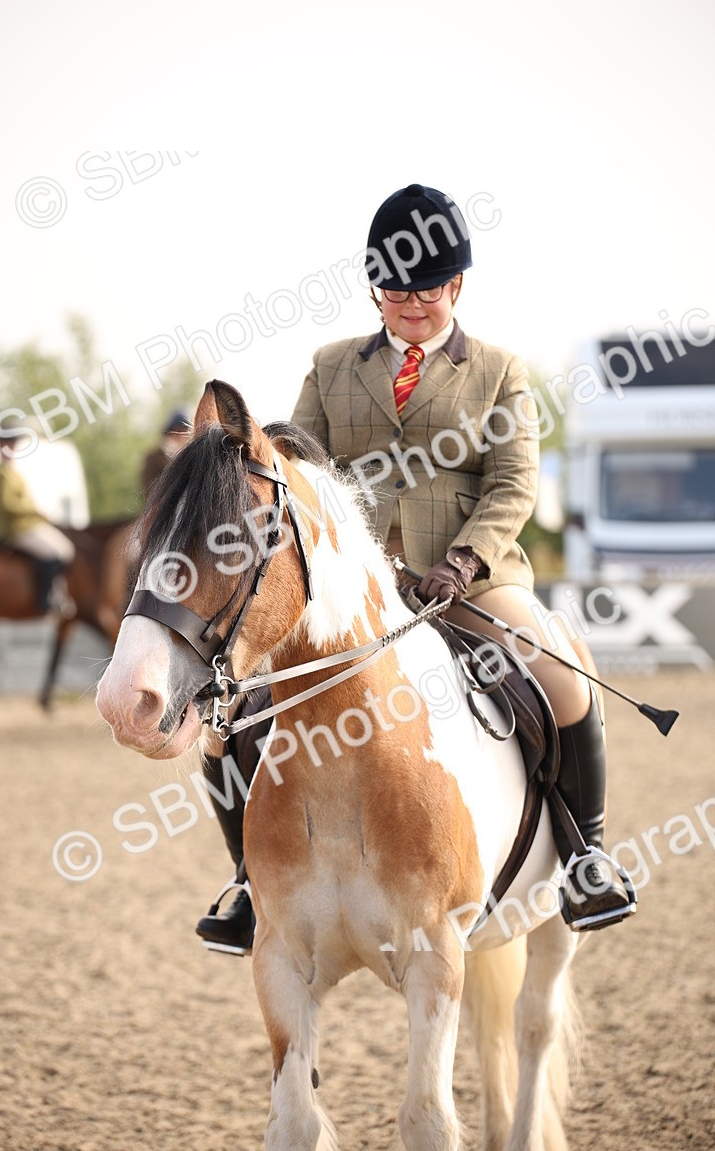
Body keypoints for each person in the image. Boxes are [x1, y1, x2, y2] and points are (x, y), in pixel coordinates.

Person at [195, 183, 635, 952]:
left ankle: (587, 853)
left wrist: (463, 561)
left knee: (560, 670)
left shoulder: (499, 371)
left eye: (425, 290)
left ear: (455, 286)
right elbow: (301, 463)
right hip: (354, 591)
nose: (409, 305)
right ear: (375, 289)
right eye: (394, 290)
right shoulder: (331, 367)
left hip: (474, 579)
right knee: (232, 717)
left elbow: (514, 483)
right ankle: (244, 876)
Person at [96, 409, 191, 642]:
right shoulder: (155, 456)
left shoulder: (190, 457)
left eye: (184, 431)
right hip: (158, 515)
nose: (180, 435)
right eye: (178, 431)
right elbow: (151, 489)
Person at [0, 428, 75, 616]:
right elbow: (9, 505)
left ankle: (58, 593)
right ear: (2, 445)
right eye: (9, 443)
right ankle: (45, 599)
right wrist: (36, 512)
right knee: (57, 552)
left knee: (66, 549)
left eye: (14, 444)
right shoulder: (1, 473)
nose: (12, 447)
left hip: (29, 523)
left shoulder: (12, 471)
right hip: (16, 527)